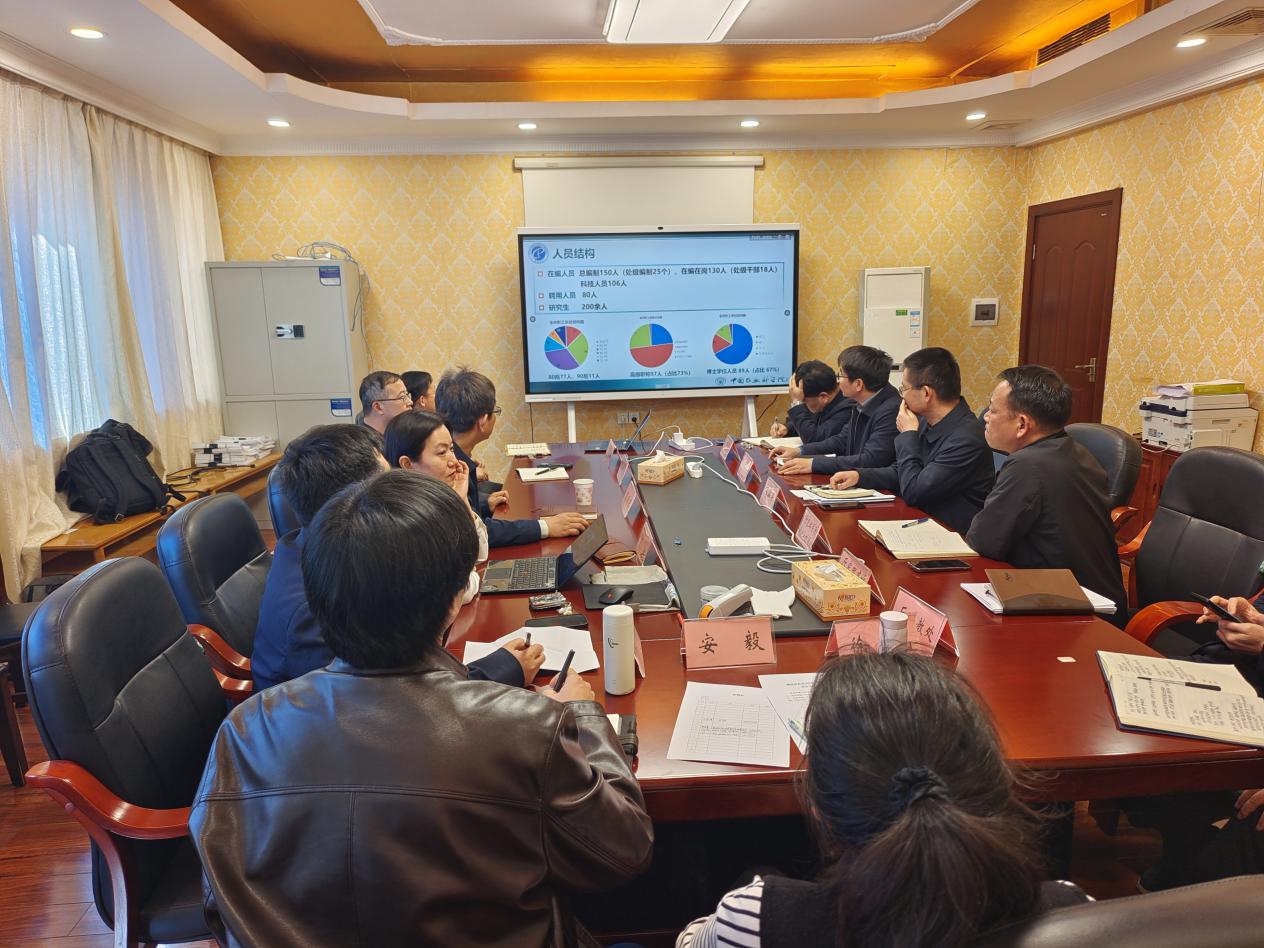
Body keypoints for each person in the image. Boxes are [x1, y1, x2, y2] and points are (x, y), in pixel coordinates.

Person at [192, 471, 654, 947]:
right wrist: (582, 717)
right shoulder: (526, 727)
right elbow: (624, 850)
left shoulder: (243, 732)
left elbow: (220, 904)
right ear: (455, 599)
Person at [677, 651, 1087, 948]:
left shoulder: (755, 920)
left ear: (819, 809)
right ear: (997, 786)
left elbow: (691, 941)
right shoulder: (1074, 912)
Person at [252, 424, 536, 692]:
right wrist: (500, 669)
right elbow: (378, 700)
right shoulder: (321, 600)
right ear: (353, 501)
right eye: (387, 483)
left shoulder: (312, 547)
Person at [966, 365, 1128, 620]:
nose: (985, 417)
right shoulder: (1077, 451)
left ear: (1022, 424)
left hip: (1073, 614)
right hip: (1097, 599)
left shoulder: (1027, 465)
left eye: (993, 410)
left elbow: (983, 541)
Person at [828, 347, 994, 534]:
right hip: (919, 524)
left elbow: (914, 491)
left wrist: (908, 434)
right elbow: (903, 470)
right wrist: (859, 476)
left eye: (904, 389)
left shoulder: (966, 439)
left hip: (949, 535)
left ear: (926, 393)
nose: (902, 396)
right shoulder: (926, 421)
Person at [434, 366, 589, 547]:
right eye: (495, 411)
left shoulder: (457, 457)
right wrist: (545, 527)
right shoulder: (453, 469)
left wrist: (483, 505)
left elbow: (464, 514)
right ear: (483, 421)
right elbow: (479, 532)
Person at [385, 409, 492, 603]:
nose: (454, 461)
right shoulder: (404, 517)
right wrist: (474, 576)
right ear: (407, 464)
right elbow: (457, 592)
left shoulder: (435, 498)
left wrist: (461, 501)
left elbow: (480, 554)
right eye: (442, 452)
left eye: (452, 449)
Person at [772, 346, 899, 476]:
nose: (838, 380)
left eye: (841, 375)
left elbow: (871, 460)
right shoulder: (863, 401)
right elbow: (842, 440)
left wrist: (813, 464)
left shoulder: (891, 410)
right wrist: (799, 451)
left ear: (858, 384)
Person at [768, 360, 853, 443]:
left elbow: (814, 439)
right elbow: (808, 422)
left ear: (823, 397)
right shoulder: (819, 396)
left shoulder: (847, 409)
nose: (803, 405)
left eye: (803, 401)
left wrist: (797, 402)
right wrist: (787, 428)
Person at [358, 369, 412, 435]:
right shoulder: (361, 440)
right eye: (402, 397)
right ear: (378, 407)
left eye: (407, 395)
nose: (410, 402)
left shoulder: (395, 434)